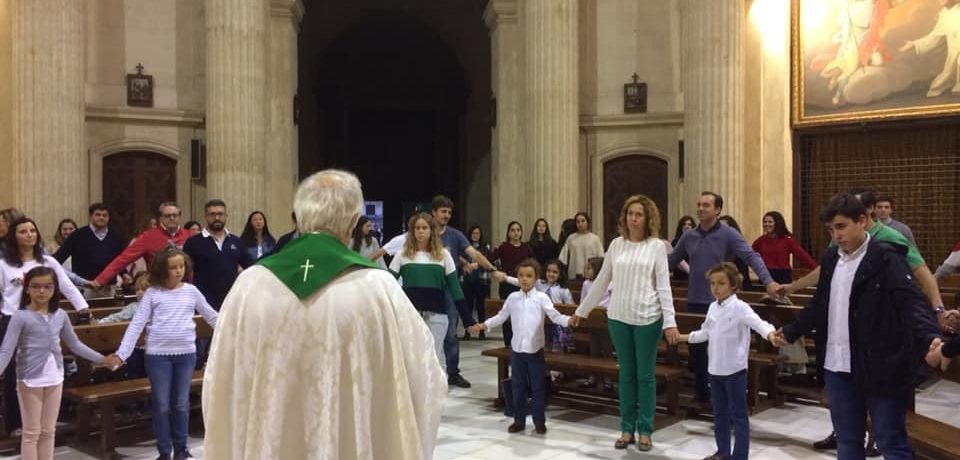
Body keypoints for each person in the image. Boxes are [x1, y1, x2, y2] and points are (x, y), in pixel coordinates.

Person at [202, 170, 447, 460]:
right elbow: (426, 380)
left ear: (300, 216)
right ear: (353, 220)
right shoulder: (379, 288)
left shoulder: (249, 284)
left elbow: (219, 379)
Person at [771, 193, 942, 460]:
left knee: (890, 442)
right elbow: (820, 305)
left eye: (841, 227)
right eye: (830, 229)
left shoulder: (885, 256)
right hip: (837, 366)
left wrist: (930, 335)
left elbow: (910, 301)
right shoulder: (830, 259)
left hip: (879, 365)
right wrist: (792, 331)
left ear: (862, 220)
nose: (836, 235)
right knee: (848, 441)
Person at [572, 195, 680, 452]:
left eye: (639, 214)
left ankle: (645, 430)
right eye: (630, 213)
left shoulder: (656, 247)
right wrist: (582, 310)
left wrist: (671, 322)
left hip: (647, 318)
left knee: (644, 377)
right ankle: (625, 428)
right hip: (618, 317)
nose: (633, 218)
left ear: (648, 218)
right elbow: (601, 281)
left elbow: (664, 287)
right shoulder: (616, 245)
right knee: (625, 375)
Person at [668, 192, 780, 403]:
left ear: (717, 210)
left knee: (720, 352)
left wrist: (768, 281)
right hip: (695, 301)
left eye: (706, 205)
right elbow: (671, 261)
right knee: (698, 353)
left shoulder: (728, 234)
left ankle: (722, 396)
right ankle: (703, 394)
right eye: (699, 204)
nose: (700, 209)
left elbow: (750, 256)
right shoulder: (689, 236)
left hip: (720, 304)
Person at [0, 266, 117, 460]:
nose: (42, 291)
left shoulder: (60, 315)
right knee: (31, 432)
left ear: (54, 289)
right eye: (36, 287)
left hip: (55, 377)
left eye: (47, 286)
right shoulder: (20, 316)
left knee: (48, 430)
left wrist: (103, 359)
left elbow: (75, 345)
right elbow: (6, 350)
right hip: (30, 379)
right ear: (27, 289)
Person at [114, 248, 218, 460]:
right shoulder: (153, 293)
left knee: (181, 403)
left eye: (181, 266)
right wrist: (122, 354)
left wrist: (234, 333)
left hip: (186, 355)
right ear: (162, 269)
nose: (178, 271)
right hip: (158, 356)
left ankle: (181, 449)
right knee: (161, 404)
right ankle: (164, 452)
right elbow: (137, 324)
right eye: (173, 267)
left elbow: (212, 316)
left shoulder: (191, 291)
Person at [0, 217, 91, 436]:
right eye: (23, 231)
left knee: (47, 370)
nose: (29, 234)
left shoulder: (48, 262)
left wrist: (83, 308)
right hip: (13, 320)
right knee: (16, 373)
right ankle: (16, 424)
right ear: (14, 236)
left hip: (44, 321)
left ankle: (45, 420)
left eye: (33, 230)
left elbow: (68, 287)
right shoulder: (4, 263)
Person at [679, 262, 778, 460]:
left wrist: (770, 334)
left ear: (733, 285)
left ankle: (740, 456)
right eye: (712, 283)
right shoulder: (712, 307)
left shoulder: (740, 307)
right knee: (719, 415)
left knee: (738, 416)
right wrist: (684, 337)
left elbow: (758, 322)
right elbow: (706, 332)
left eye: (721, 283)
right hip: (715, 370)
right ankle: (723, 452)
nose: (715, 287)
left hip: (735, 371)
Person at [468, 258, 573, 435]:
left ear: (536, 278)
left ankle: (539, 421)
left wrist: (569, 320)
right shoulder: (512, 298)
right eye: (521, 276)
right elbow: (501, 316)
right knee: (518, 386)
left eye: (529, 276)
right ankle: (519, 420)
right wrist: (483, 325)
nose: (524, 279)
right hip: (517, 351)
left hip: (535, 351)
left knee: (538, 387)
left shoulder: (541, 298)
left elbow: (555, 316)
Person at [389, 213, 474, 368]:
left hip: (437, 315)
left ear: (431, 231)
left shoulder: (443, 255)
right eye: (417, 228)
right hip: (411, 315)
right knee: (411, 357)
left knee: (435, 356)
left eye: (424, 228)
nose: (421, 231)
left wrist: (468, 319)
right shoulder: (402, 254)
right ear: (412, 231)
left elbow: (455, 288)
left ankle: (438, 391)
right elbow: (388, 283)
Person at [91, 202, 195, 289]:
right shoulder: (148, 237)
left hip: (187, 288)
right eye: (167, 216)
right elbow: (123, 259)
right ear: (160, 218)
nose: (171, 218)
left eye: (175, 215)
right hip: (159, 289)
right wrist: (100, 280)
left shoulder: (190, 236)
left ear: (180, 217)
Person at [182, 200, 255, 311]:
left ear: (226, 216)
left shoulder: (236, 241)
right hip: (203, 304)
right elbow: (184, 273)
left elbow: (251, 266)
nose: (217, 217)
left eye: (220, 214)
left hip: (231, 303)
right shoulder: (193, 242)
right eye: (212, 214)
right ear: (206, 217)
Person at [54, 203, 125, 299]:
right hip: (84, 288)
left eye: (104, 215)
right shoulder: (77, 235)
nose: (101, 218)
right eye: (98, 215)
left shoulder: (115, 236)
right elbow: (58, 258)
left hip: (109, 288)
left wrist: (124, 274)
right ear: (91, 217)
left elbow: (120, 260)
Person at [489, 222, 535, 346]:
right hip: (507, 286)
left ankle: (522, 343)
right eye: (513, 230)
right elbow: (489, 260)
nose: (516, 232)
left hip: (524, 286)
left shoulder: (526, 247)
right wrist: (496, 272)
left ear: (521, 232)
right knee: (507, 315)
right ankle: (508, 344)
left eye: (518, 230)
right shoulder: (503, 247)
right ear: (508, 233)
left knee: (524, 314)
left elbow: (533, 264)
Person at [751, 211, 818, 285]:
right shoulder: (761, 240)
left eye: (770, 222)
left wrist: (817, 270)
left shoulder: (787, 240)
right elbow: (750, 254)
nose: (767, 224)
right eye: (765, 222)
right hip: (765, 275)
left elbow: (803, 256)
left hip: (783, 275)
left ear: (777, 223)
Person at [580, 256, 612, 389]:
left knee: (607, 349)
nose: (586, 271)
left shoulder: (609, 283)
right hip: (592, 319)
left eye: (589, 268)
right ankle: (593, 376)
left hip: (605, 319)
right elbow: (583, 300)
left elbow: (613, 300)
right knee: (594, 349)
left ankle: (608, 378)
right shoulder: (586, 284)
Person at [461, 225, 491, 339]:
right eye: (473, 233)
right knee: (468, 306)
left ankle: (481, 331)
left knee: (480, 306)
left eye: (477, 233)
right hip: (468, 280)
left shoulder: (485, 247)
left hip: (481, 280)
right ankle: (467, 331)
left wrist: (478, 264)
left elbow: (488, 261)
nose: (475, 236)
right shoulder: (465, 247)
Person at [558, 212, 604, 280]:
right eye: (578, 222)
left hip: (591, 274)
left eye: (583, 221)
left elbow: (600, 257)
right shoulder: (571, 238)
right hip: (574, 273)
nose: (580, 224)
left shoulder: (595, 238)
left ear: (587, 222)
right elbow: (563, 257)